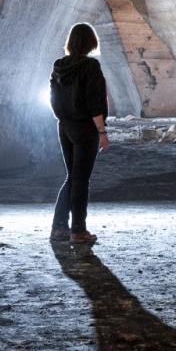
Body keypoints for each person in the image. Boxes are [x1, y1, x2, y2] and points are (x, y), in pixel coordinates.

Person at [49, 22, 110, 243]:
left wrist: (64, 118)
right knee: (81, 180)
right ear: (91, 42)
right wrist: (102, 131)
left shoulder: (59, 66)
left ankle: (59, 228)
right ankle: (78, 231)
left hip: (64, 127)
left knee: (73, 177)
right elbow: (94, 102)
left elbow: (52, 98)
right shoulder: (90, 66)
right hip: (85, 128)